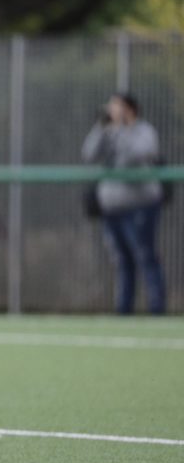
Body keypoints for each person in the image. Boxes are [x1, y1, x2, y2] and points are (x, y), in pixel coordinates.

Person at [81, 93, 166, 315]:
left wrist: (121, 129)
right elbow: (89, 154)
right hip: (112, 207)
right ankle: (123, 310)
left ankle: (157, 309)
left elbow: (137, 155)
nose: (112, 110)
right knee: (121, 259)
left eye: (117, 106)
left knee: (145, 255)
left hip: (140, 206)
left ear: (130, 109)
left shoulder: (144, 131)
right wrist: (102, 128)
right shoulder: (106, 130)